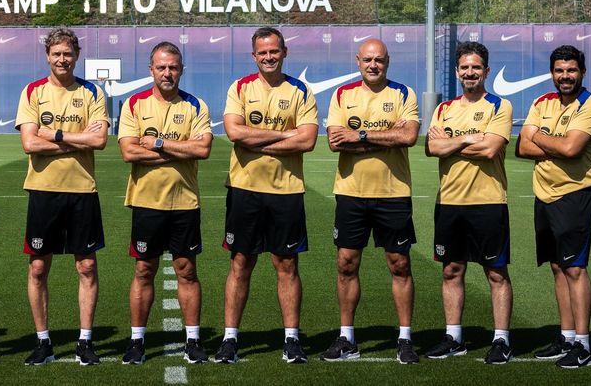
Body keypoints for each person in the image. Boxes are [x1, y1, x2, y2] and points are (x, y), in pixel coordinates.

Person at [215, 27, 318, 365]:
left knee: (286, 264)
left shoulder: (300, 90)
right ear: (254, 56)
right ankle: (230, 338)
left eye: (274, 51)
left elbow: (307, 140)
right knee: (240, 263)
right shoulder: (240, 87)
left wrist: (256, 139)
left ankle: (292, 339)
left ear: (284, 52)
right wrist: (284, 135)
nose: (269, 57)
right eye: (263, 52)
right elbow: (234, 132)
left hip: (286, 190)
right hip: (244, 189)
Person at [321, 38, 421, 365]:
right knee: (346, 263)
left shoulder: (403, 94)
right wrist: (387, 138)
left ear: (387, 61)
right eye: (367, 60)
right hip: (351, 193)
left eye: (379, 59)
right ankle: (346, 337)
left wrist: (360, 135)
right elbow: (336, 143)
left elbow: (408, 137)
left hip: (394, 193)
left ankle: (405, 338)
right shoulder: (342, 95)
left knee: (399, 264)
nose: (373, 65)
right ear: (358, 61)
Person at [15, 28, 110, 365]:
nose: (62, 59)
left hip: (82, 190)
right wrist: (76, 139)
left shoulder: (92, 92)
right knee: (38, 268)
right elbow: (30, 143)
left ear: (77, 55)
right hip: (43, 191)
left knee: (87, 266)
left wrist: (54, 134)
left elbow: (99, 141)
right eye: (56, 53)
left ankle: (85, 341)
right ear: (47, 56)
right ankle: (43, 342)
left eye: (67, 53)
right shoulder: (33, 92)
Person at [117, 42, 213, 366]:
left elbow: (202, 150)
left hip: (185, 202)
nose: (167, 73)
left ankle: (193, 340)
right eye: (161, 67)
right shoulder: (135, 104)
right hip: (146, 202)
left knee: (187, 270)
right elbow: (129, 152)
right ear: (151, 70)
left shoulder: (195, 105)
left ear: (181, 69)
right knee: (144, 270)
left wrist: (158, 143)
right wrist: (179, 149)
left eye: (173, 67)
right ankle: (137, 341)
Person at [515, 45, 591, 369]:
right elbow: (521, 147)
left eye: (571, 70)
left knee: (575, 269)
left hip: (574, 195)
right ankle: (567, 337)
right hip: (543, 195)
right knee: (557, 267)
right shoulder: (542, 102)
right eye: (559, 70)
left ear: (582, 72)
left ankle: (584, 345)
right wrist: (549, 142)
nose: (564, 76)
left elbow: (571, 149)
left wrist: (539, 136)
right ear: (552, 73)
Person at [424, 41, 515, 365]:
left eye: (476, 67)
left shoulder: (499, 106)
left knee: (496, 273)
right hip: (449, 202)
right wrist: (466, 138)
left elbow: (490, 149)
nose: (470, 72)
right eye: (465, 67)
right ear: (457, 71)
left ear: (486, 71)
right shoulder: (443, 109)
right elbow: (431, 148)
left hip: (488, 202)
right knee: (451, 270)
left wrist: (449, 143)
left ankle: (501, 340)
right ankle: (454, 338)